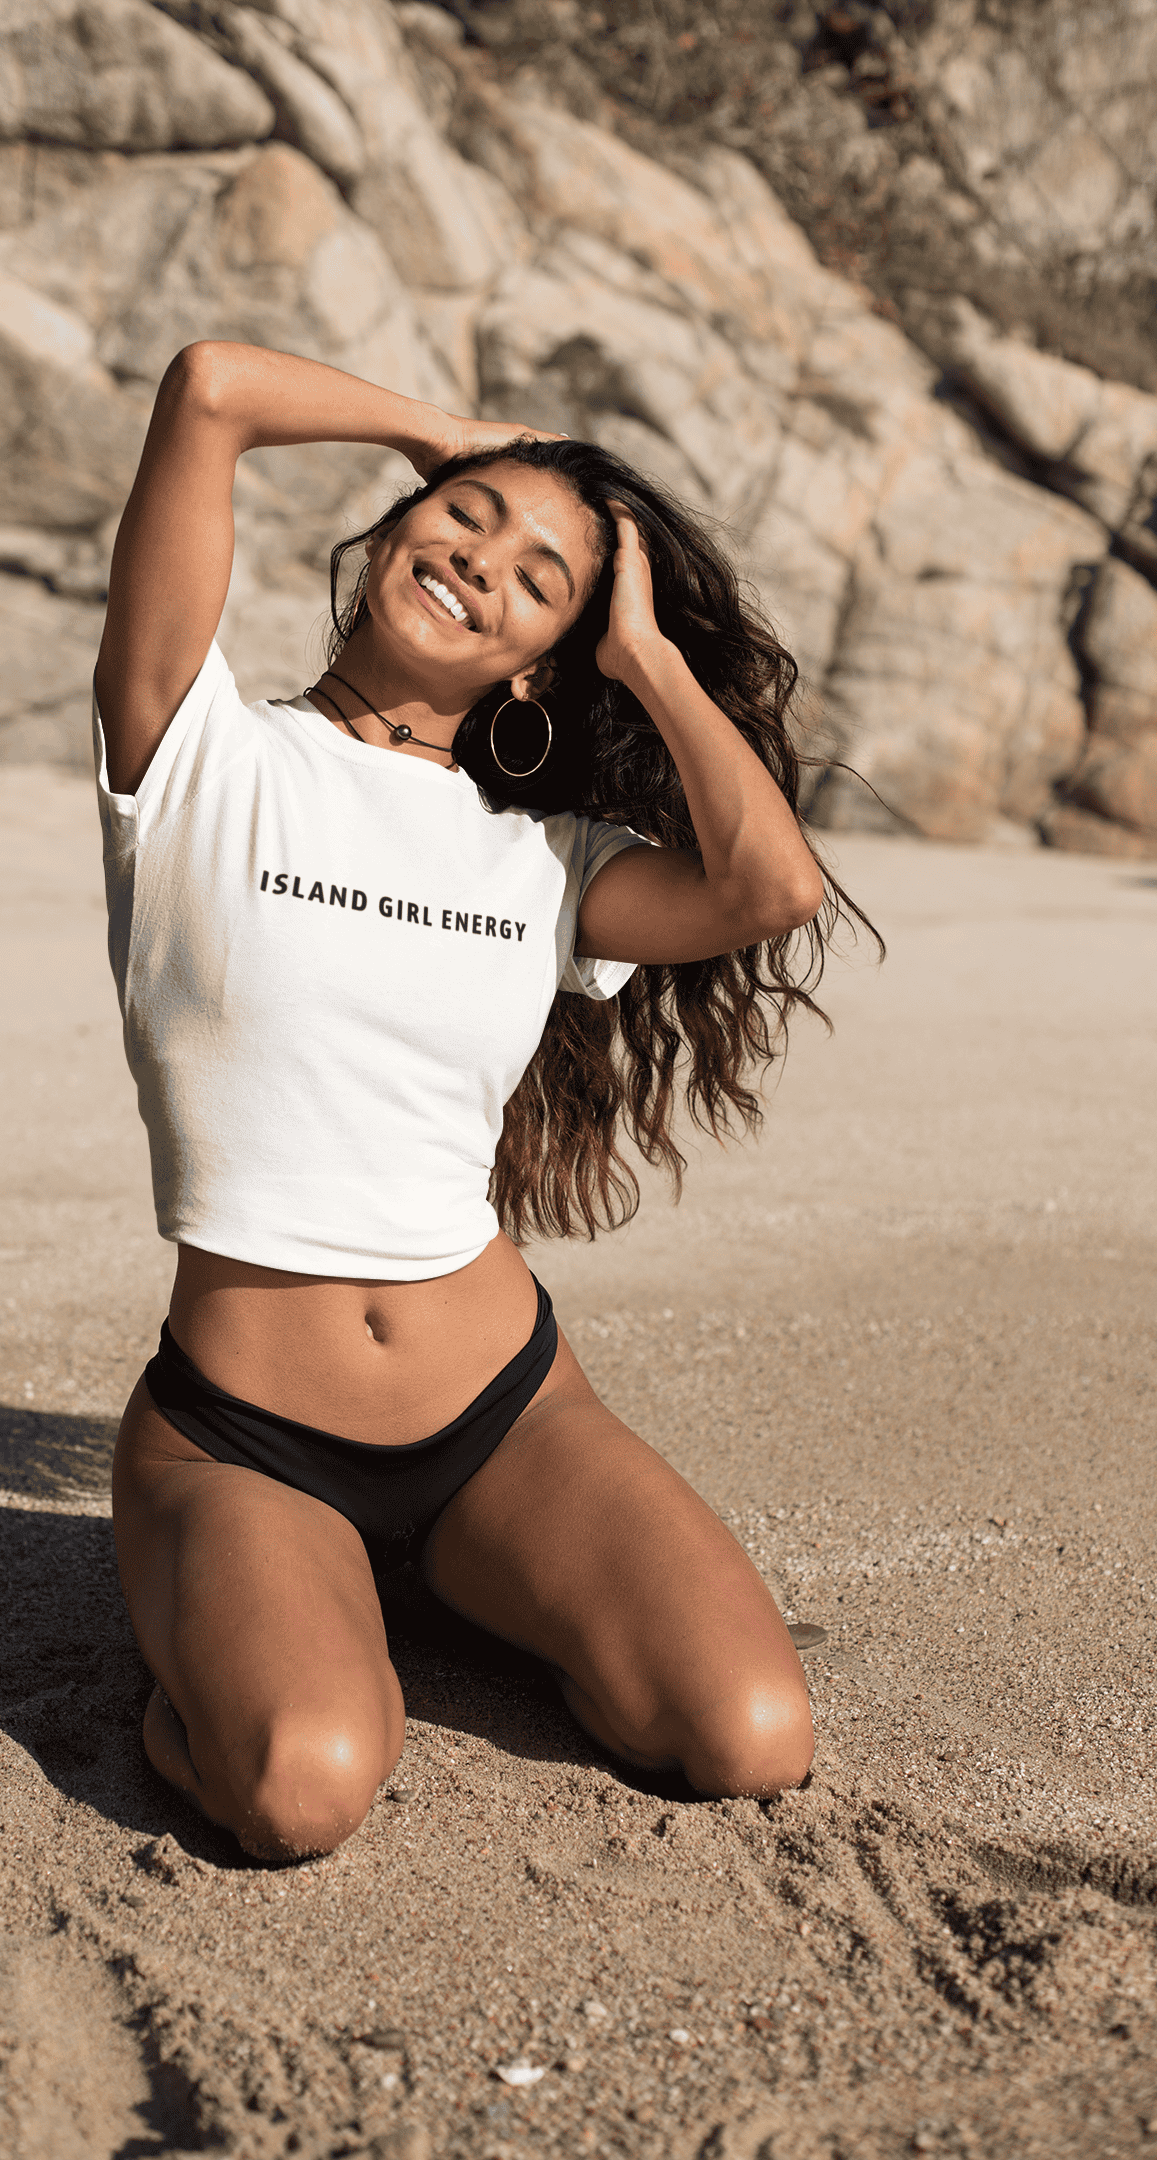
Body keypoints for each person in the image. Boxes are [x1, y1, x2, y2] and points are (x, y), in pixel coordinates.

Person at [95, 340, 867, 1864]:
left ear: (541, 662)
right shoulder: (196, 755)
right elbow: (210, 392)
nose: (480, 561)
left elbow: (770, 888)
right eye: (465, 520)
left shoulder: (551, 857)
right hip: (245, 1434)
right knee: (300, 1790)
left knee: (751, 1739)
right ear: (392, 530)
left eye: (538, 576)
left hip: (504, 1411)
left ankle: (443, 1578)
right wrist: (443, 435)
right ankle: (246, 1619)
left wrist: (640, 652)